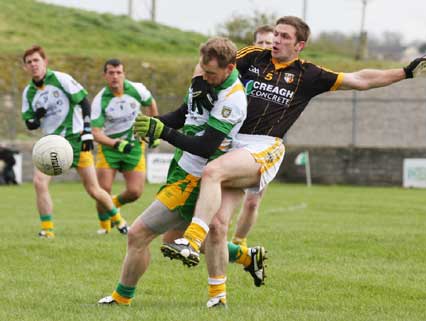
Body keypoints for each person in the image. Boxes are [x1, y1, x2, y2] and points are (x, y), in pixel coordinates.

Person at [155, 15, 426, 297]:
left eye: (284, 36)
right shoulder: (252, 56)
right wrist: (199, 83)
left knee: (213, 172)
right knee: (216, 226)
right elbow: (211, 59)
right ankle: (223, 292)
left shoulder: (309, 74)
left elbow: (360, 79)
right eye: (276, 34)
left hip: (263, 147)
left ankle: (190, 241)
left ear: (300, 45)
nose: (276, 40)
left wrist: (405, 72)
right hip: (232, 146)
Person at [98, 37, 261, 308]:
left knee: (137, 234)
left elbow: (206, 147)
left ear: (230, 67)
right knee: (173, 239)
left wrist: (165, 134)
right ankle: (245, 257)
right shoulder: (204, 80)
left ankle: (121, 297)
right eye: (202, 69)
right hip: (180, 168)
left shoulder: (233, 100)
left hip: (193, 179)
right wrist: (154, 123)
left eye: (210, 73)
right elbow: (184, 115)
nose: (204, 76)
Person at [21, 45, 127, 238]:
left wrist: (87, 131)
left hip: (76, 141)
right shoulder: (29, 92)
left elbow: (84, 102)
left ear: (45, 62)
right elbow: (29, 124)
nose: (33, 65)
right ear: (25, 67)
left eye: (36, 60)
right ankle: (48, 230)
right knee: (39, 182)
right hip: (51, 144)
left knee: (94, 190)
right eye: (29, 62)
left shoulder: (61, 79)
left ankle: (119, 221)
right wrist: (35, 118)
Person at [91, 59, 159, 234]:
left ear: (124, 74)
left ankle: (112, 204)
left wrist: (153, 129)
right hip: (109, 148)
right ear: (105, 75)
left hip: (135, 145)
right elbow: (96, 133)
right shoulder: (100, 101)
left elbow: (151, 104)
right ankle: (104, 228)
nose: (115, 76)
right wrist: (116, 144)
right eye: (111, 73)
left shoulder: (137, 90)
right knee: (103, 189)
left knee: (135, 192)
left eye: (118, 72)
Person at [231, 24, 274, 247]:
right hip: (232, 135)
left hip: (260, 142)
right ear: (253, 44)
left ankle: (239, 243)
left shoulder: (278, 72)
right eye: (261, 43)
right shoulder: (241, 68)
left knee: (252, 203)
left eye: (269, 43)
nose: (265, 47)